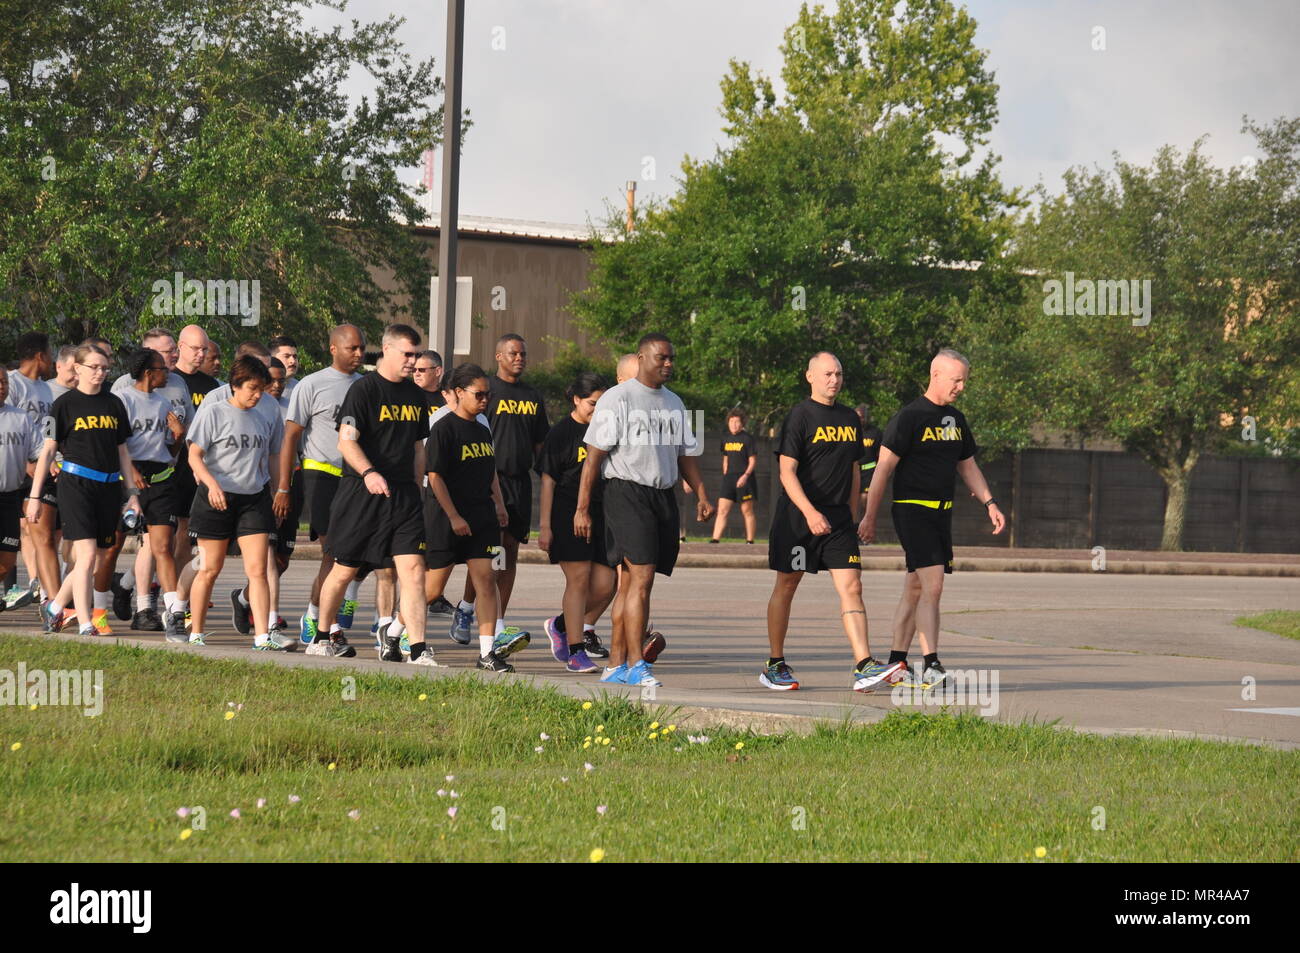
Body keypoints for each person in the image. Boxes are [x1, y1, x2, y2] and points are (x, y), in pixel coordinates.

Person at [859, 348, 1006, 689]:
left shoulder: (956, 420)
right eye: (956, 380)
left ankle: (896, 663)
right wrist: (869, 516)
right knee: (933, 586)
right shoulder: (909, 417)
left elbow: (967, 465)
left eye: (964, 381)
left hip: (941, 514)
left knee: (914, 588)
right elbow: (882, 470)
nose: (961, 387)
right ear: (936, 375)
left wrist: (990, 502)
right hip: (912, 509)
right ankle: (932, 664)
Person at [577, 333, 711, 687]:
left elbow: (685, 454)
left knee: (634, 586)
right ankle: (637, 663)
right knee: (641, 579)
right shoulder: (616, 399)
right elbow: (593, 458)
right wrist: (583, 509)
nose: (667, 364)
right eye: (660, 357)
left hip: (662, 496)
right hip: (626, 493)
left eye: (671, 358)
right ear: (641, 357)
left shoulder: (675, 403)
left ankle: (616, 665)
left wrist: (701, 493)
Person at [762, 352, 901, 692]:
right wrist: (809, 513)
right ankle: (775, 664)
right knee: (788, 584)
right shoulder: (799, 416)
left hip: (838, 521)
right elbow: (786, 471)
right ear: (809, 376)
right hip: (799, 519)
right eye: (827, 374)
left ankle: (863, 665)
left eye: (838, 373)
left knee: (853, 586)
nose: (834, 380)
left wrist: (852, 516)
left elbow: (855, 470)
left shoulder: (850, 419)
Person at [313, 324, 429, 661]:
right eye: (408, 354)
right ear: (388, 350)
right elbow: (346, 441)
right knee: (345, 569)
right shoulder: (363, 391)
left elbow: (418, 447)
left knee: (413, 570)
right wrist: (369, 472)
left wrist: (416, 487)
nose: (413, 361)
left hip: (403, 496)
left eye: (417, 355)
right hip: (362, 492)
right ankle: (322, 635)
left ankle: (418, 649)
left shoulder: (414, 394)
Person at [28, 344, 141, 638]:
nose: (101, 373)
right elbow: (48, 452)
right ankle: (86, 622)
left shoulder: (114, 404)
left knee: (99, 556)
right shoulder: (63, 405)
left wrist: (132, 495)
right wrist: (36, 497)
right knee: (86, 554)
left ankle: (55, 609)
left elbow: (123, 452)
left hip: (108, 486)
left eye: (105, 368)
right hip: (75, 484)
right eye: (94, 367)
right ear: (77, 369)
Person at [183, 355, 290, 649]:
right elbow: (194, 455)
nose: (258, 395)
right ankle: (196, 633)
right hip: (215, 498)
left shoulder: (265, 415)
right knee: (209, 568)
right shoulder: (214, 412)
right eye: (252, 388)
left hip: (253, 498)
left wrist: (279, 490)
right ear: (235, 385)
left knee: (257, 570)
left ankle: (262, 637)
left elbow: (273, 456)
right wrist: (212, 485)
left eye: (262, 389)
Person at [424, 363, 524, 671]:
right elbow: (435, 476)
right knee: (432, 589)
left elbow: (489, 469)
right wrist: (453, 515)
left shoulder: (482, 427)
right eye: (478, 394)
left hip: (482, 516)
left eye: (488, 395)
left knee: (487, 580)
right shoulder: (443, 426)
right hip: (447, 517)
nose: (485, 400)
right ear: (457, 392)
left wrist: (500, 503)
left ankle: (486, 653)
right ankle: (397, 632)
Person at [279, 324, 365, 644]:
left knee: (345, 556)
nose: (358, 354)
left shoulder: (367, 387)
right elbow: (290, 436)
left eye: (361, 349)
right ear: (333, 348)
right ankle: (326, 625)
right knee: (334, 550)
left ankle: (315, 613)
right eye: (351, 348)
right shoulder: (312, 385)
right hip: (320, 475)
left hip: (355, 478)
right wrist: (285, 486)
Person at [107, 327, 193, 622]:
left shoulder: (162, 402)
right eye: (160, 368)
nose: (166, 373)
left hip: (160, 477)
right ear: (147, 372)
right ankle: (93, 602)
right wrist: (130, 471)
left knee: (162, 546)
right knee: (113, 543)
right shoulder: (123, 400)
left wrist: (179, 436)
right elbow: (116, 444)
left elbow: (170, 452)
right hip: (130, 476)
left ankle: (171, 610)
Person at [468, 333, 546, 646]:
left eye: (523, 354)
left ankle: (499, 624)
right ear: (499, 356)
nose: (520, 359)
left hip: (519, 481)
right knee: (487, 553)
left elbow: (541, 442)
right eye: (513, 353)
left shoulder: (532, 395)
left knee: (509, 552)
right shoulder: (487, 390)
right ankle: (466, 608)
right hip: (489, 479)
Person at [538, 371, 612, 673]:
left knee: (608, 585)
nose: (598, 410)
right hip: (567, 512)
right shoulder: (561, 433)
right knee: (579, 580)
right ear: (577, 400)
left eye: (603, 404)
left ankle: (560, 624)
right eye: (593, 403)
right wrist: (545, 526)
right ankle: (575, 651)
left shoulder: (607, 430)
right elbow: (548, 480)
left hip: (601, 513)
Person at [8, 332, 60, 613]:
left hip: (43, 469)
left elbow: (49, 430)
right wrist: (31, 465)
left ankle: (52, 600)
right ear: (40, 355)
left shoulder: (46, 390)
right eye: (51, 354)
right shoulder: (13, 384)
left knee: (44, 536)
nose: (52, 360)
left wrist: (52, 455)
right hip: (18, 469)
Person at [0, 368, 43, 597]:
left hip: (9, 497)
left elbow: (39, 453)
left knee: (6, 561)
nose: (1, 386)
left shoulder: (21, 417)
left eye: (4, 382)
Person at [710, 410, 758, 544]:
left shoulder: (748, 439)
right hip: (729, 478)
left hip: (745, 478)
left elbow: (753, 461)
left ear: (742, 424)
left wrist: (745, 476)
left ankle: (750, 541)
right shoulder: (725, 438)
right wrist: (725, 472)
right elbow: (725, 457)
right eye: (731, 421)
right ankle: (715, 539)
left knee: (747, 510)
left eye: (737, 422)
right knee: (722, 510)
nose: (734, 424)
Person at [855, 403, 884, 516]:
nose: (859, 419)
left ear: (866, 417)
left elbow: (880, 453)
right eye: (857, 417)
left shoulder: (875, 433)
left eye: (861, 417)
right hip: (854, 470)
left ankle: (865, 520)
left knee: (865, 498)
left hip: (869, 470)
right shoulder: (851, 430)